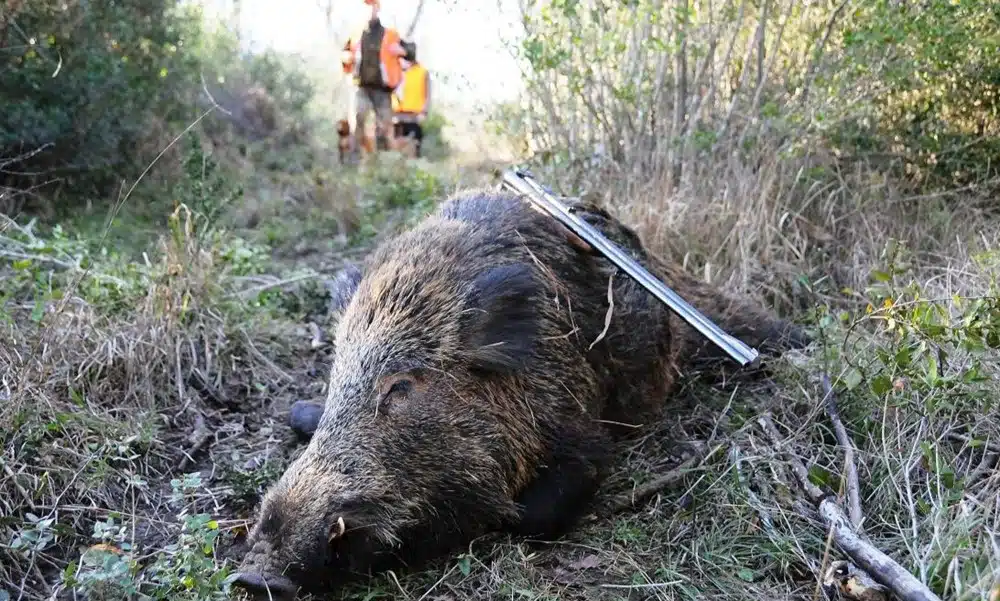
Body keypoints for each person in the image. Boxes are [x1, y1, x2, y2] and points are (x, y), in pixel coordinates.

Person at [341, 0, 406, 155]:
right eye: (367, 5)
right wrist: (346, 57)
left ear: (378, 8)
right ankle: (353, 161)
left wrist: (402, 51)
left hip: (382, 89)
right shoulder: (355, 34)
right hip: (361, 86)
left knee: (384, 127)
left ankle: (383, 162)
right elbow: (344, 52)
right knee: (357, 121)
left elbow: (409, 51)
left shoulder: (391, 34)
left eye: (373, 5)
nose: (370, 9)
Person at [391, 41, 431, 158]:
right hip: (397, 117)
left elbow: (427, 94)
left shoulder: (422, 72)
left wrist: (424, 112)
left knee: (413, 153)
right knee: (396, 154)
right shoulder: (396, 71)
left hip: (414, 117)